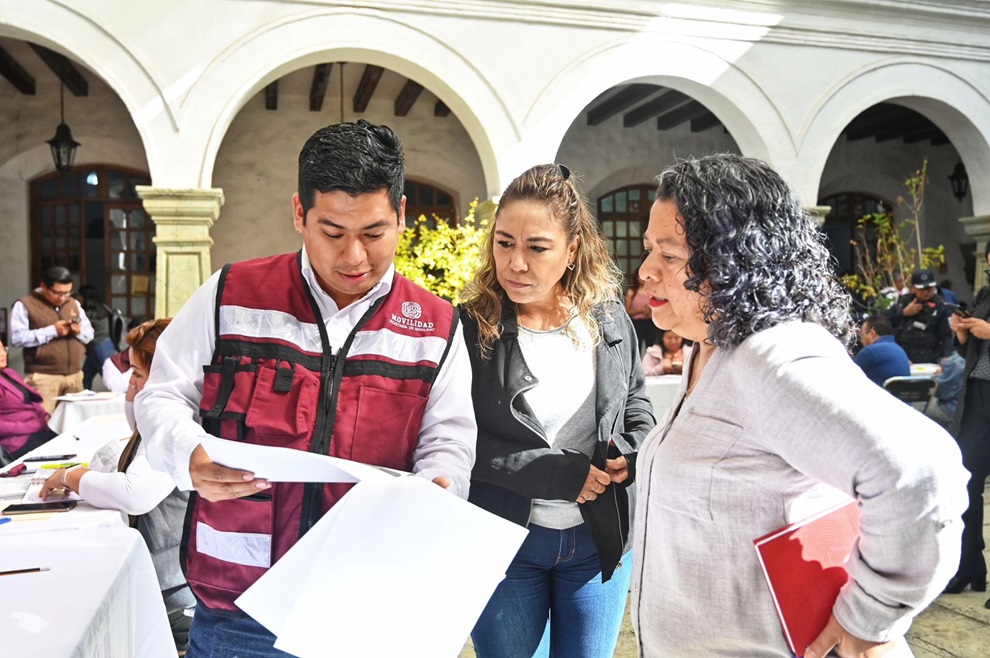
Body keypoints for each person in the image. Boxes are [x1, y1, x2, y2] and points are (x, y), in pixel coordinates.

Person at [135, 120, 476, 656]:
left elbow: (448, 441)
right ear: (299, 213)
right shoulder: (231, 294)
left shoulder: (435, 326)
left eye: (374, 233)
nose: (354, 257)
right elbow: (161, 395)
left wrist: (440, 486)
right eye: (332, 233)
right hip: (239, 609)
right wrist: (189, 453)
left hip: (365, 605)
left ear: (401, 215)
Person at [631, 154, 967, 658]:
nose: (645, 271)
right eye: (648, 249)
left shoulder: (771, 355)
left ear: (733, 260)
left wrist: (870, 617)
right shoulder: (710, 344)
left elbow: (920, 473)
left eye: (670, 255)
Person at [459, 163, 655, 658]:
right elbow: (451, 438)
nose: (516, 263)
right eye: (505, 243)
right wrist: (551, 473)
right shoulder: (469, 328)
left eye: (537, 247)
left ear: (572, 250)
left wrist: (633, 450)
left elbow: (636, 402)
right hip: (503, 545)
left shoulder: (609, 317)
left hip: (598, 543)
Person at [38, 318, 194, 652]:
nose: (129, 383)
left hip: (175, 590)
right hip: (172, 579)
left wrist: (70, 476)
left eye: (136, 373)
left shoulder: (174, 424)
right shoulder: (171, 413)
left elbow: (134, 493)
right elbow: (137, 426)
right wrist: (138, 392)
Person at [943, 242, 990, 606]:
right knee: (966, 482)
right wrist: (962, 332)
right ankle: (969, 564)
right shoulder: (985, 294)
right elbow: (971, 351)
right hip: (977, 395)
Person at [9, 266, 94, 412]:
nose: (63, 297)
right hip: (43, 377)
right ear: (43, 287)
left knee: (75, 421)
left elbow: (89, 334)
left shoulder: (73, 304)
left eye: (67, 292)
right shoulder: (25, 305)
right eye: (58, 293)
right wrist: (53, 331)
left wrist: (78, 331)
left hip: (75, 375)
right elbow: (16, 338)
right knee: (43, 421)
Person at [0, 337, 57, 461]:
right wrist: (32, 426)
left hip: (37, 427)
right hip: (17, 440)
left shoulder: (9, 373)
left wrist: (44, 414)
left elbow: (31, 400)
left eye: (3, 349)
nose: (3, 354)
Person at [887, 269, 953, 365]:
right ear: (913, 288)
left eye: (929, 289)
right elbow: (884, 323)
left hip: (930, 357)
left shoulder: (940, 306)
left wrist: (946, 357)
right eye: (922, 290)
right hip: (902, 355)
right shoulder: (902, 302)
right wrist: (904, 313)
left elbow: (947, 336)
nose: (926, 292)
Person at [76, 284, 117, 390]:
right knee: (86, 377)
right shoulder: (103, 308)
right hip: (101, 346)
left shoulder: (89, 313)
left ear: (86, 297)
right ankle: (84, 396)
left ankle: (122, 398)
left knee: (109, 378)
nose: (79, 299)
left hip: (100, 347)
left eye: (80, 296)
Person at [853, 315, 910, 387]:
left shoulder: (870, 351)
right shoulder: (899, 349)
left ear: (872, 333)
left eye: (861, 335)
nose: (861, 340)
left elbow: (847, 375)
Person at [625, 276, 656, 352]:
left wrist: (650, 310)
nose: (643, 279)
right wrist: (641, 310)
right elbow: (627, 311)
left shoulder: (653, 292)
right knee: (636, 346)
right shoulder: (631, 292)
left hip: (651, 322)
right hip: (637, 323)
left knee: (652, 346)